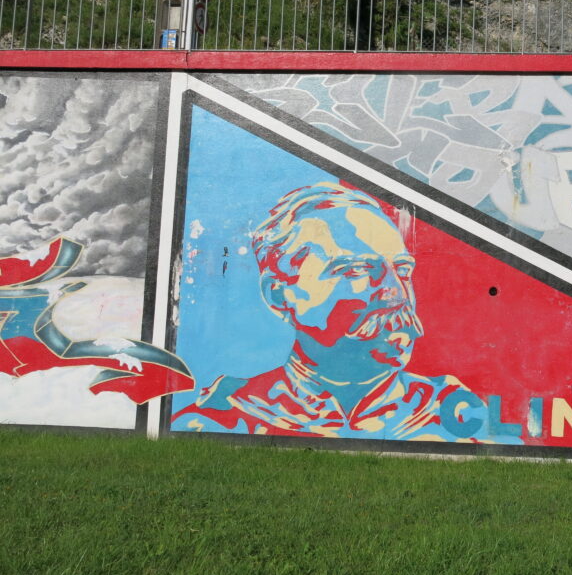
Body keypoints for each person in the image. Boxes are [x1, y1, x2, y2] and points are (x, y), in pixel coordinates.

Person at [172, 182, 517, 443]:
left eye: (403, 270)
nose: (396, 294)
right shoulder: (224, 418)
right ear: (278, 294)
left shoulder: (461, 420)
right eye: (355, 270)